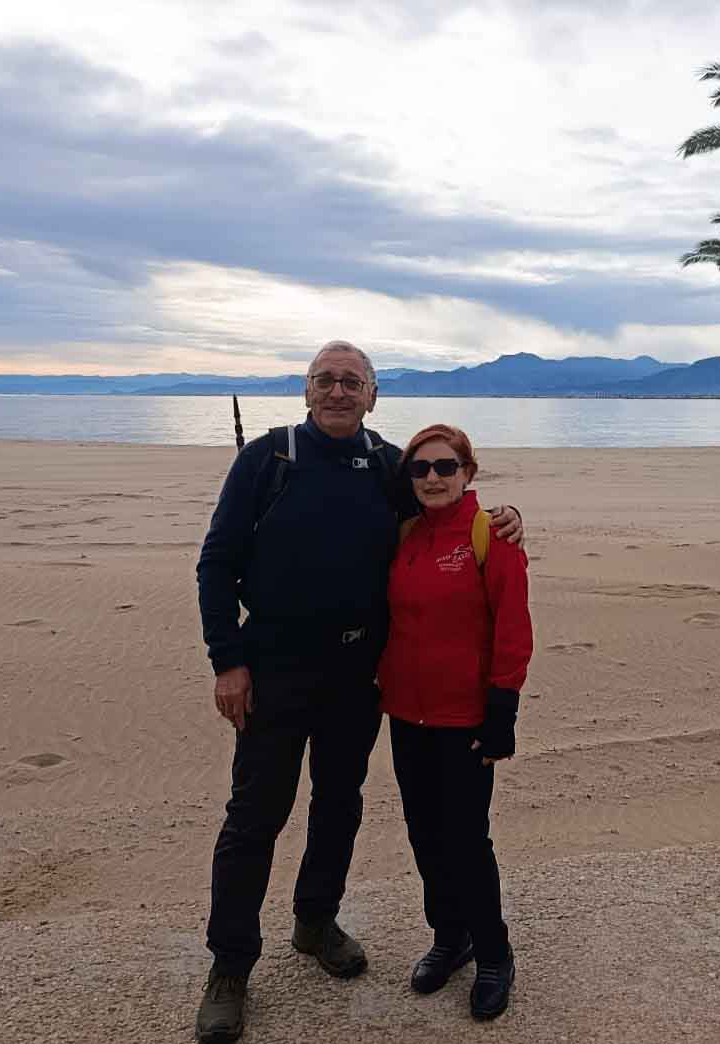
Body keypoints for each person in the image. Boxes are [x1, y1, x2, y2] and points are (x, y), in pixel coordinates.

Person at [193, 344, 522, 1044]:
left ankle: (315, 920)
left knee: (339, 803)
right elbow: (217, 562)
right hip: (274, 669)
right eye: (325, 381)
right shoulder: (267, 459)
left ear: (373, 395)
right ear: (306, 391)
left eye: (352, 382)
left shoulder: (387, 466)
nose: (338, 391)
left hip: (356, 675)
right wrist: (228, 661)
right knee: (255, 817)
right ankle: (230, 967)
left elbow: (446, 511)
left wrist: (505, 518)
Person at [377, 423, 533, 1021]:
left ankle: (494, 953)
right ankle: (451, 937)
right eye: (420, 469)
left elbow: (513, 628)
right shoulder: (406, 533)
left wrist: (503, 712)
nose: (433, 478)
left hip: (464, 717)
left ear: (468, 472)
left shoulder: (490, 534)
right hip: (406, 713)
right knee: (424, 835)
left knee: (467, 840)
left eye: (445, 467)